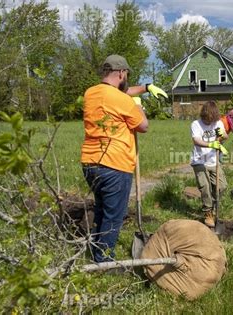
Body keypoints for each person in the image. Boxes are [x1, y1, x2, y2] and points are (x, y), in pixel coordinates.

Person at [81, 54, 167, 262]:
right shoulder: (123, 100)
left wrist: (147, 87)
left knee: (101, 210)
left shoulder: (91, 93)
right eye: (126, 74)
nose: (126, 77)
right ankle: (104, 261)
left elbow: (121, 92)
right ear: (121, 73)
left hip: (91, 163)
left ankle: (95, 252)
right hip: (115, 165)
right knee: (113, 216)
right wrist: (137, 104)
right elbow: (143, 126)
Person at [191, 101, 229, 227]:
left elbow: (224, 136)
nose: (211, 123)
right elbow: (196, 140)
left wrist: (223, 136)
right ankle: (208, 212)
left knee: (222, 186)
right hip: (199, 161)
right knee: (205, 187)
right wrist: (210, 144)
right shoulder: (196, 124)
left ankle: (212, 204)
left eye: (213, 120)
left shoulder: (217, 123)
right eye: (209, 120)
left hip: (213, 160)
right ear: (204, 115)